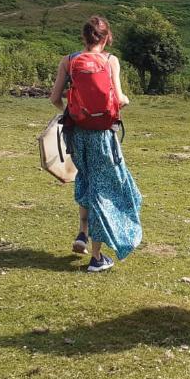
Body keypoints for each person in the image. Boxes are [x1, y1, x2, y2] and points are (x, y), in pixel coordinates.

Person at [49, 15, 142, 272]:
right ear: (107, 37)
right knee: (104, 189)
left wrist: (70, 112)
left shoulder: (68, 61)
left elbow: (54, 98)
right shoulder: (111, 61)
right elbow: (119, 99)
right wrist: (123, 101)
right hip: (103, 136)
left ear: (84, 37)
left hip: (77, 134)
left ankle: (83, 232)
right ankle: (97, 257)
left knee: (86, 179)